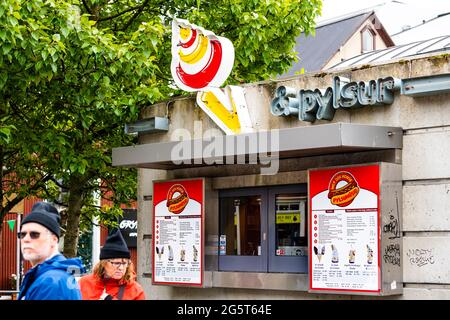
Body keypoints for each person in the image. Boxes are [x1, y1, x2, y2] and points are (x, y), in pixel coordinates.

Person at [17, 202, 84, 300]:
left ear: (53, 240)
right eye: (22, 234)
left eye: (34, 234)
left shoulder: (52, 281)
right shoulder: (51, 276)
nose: (26, 239)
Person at [79, 228, 145, 300]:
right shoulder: (84, 284)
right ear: (104, 263)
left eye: (124, 263)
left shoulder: (135, 290)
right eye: (116, 263)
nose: (121, 268)